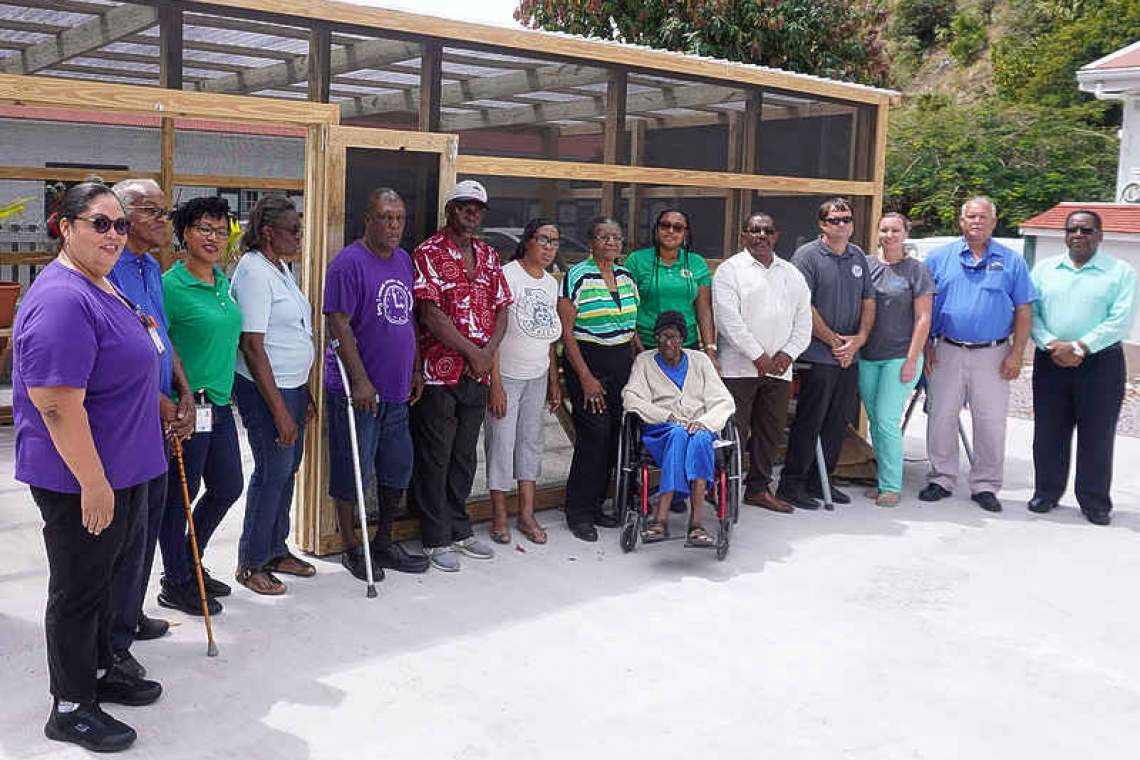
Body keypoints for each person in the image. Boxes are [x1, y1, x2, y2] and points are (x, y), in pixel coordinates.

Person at [13, 182, 164, 752]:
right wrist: (94, 483)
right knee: (78, 591)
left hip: (121, 470)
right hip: (79, 479)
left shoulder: (100, 284)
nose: (114, 235)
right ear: (65, 226)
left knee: (102, 582)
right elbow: (55, 403)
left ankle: (101, 670)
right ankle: (71, 705)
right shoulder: (61, 300)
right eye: (99, 224)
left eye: (120, 224)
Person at [104, 178, 194, 681]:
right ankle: (112, 645)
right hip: (129, 423)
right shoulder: (107, 270)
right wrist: (163, 405)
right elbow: (116, 362)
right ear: (121, 215)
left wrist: (182, 392)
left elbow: (161, 338)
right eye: (153, 211)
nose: (164, 219)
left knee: (150, 525)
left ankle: (130, 615)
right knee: (126, 536)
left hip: (161, 417)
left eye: (166, 210)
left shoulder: (151, 270)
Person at [324, 188, 429, 580]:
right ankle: (354, 546)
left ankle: (384, 540)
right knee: (354, 470)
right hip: (358, 393)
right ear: (367, 219)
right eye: (386, 217)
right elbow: (338, 323)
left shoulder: (403, 260)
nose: (394, 225)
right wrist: (361, 381)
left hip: (397, 389)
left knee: (396, 467)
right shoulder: (347, 264)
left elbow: (409, 319)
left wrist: (416, 368)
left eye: (399, 218)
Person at [410, 180, 510, 572]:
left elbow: (503, 308)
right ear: (449, 211)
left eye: (478, 209)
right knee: (436, 456)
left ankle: (459, 526)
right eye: (465, 207)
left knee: (465, 455)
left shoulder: (487, 254)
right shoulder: (428, 253)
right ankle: (435, 537)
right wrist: (472, 352)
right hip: (440, 372)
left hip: (477, 373)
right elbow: (430, 314)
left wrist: (486, 355)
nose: (472, 214)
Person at [920, 197, 1036, 512]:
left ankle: (985, 485)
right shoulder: (939, 258)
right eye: (970, 216)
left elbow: (1024, 310)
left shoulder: (1012, 261)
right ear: (961, 221)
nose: (976, 222)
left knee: (991, 421)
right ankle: (941, 478)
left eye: (982, 217)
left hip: (993, 354)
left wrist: (1017, 354)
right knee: (941, 416)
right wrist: (926, 345)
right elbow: (923, 305)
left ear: (994, 223)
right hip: (946, 349)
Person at [158, 196, 244, 613]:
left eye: (220, 229)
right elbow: (158, 346)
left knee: (228, 486)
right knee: (180, 497)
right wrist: (176, 399)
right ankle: (175, 580)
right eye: (203, 229)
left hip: (221, 405)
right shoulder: (170, 287)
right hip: (187, 409)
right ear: (184, 235)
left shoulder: (222, 282)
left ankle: (191, 561)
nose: (214, 237)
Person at [230, 196, 317, 594]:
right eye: (293, 230)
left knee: (288, 469)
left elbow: (295, 330)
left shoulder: (279, 268)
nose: (299, 237)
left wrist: (306, 392)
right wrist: (280, 411)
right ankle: (251, 562)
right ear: (267, 232)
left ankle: (275, 549)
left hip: (291, 387)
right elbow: (252, 345)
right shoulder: (252, 272)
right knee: (272, 471)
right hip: (267, 391)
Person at [1028, 210, 1137, 525]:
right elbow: (1032, 313)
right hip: (1051, 361)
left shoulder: (1120, 272)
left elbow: (1120, 320)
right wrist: (1052, 344)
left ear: (1100, 235)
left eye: (1086, 230)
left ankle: (1094, 501)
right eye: (1072, 229)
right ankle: (1046, 492)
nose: (1079, 234)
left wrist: (1079, 346)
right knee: (1049, 432)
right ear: (1065, 234)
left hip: (1100, 363)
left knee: (1097, 434)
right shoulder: (1045, 269)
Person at [776, 198, 875, 510]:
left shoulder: (858, 255)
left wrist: (858, 341)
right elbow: (803, 305)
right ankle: (791, 484)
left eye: (846, 219)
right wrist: (834, 342)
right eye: (834, 220)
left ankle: (821, 480)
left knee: (839, 420)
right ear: (822, 224)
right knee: (810, 420)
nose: (842, 225)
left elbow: (868, 302)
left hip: (850, 355)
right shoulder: (806, 257)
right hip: (818, 354)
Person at [713, 213, 812, 513]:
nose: (761, 236)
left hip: (779, 370)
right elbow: (727, 320)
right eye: (754, 230)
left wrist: (787, 355)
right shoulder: (730, 270)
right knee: (733, 432)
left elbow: (804, 321)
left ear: (776, 235)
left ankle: (758, 489)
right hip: (739, 367)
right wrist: (759, 356)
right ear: (743, 235)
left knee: (769, 433)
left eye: (767, 230)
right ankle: (723, 489)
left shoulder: (791, 273)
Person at [621, 311, 735, 545]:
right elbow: (630, 397)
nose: (667, 343)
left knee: (701, 438)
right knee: (678, 434)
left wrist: (703, 422)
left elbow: (724, 401)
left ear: (683, 339)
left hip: (699, 427)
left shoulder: (700, 361)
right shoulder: (644, 362)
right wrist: (667, 416)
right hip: (661, 431)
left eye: (673, 337)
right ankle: (661, 518)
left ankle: (696, 524)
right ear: (655, 339)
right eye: (662, 337)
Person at [558, 216, 640, 542]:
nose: (611, 243)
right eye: (604, 237)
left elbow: (629, 323)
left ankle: (596, 506)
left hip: (621, 365)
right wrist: (586, 378)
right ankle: (577, 512)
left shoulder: (625, 276)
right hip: (588, 364)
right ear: (590, 241)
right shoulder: (576, 276)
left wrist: (640, 353)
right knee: (593, 437)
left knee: (613, 437)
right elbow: (566, 333)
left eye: (616, 237)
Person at [485, 218, 563, 545]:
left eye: (554, 242)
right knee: (501, 444)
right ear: (528, 241)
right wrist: (495, 383)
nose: (549, 248)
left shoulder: (550, 283)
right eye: (543, 240)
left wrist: (554, 382)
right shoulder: (506, 276)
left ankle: (527, 515)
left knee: (530, 443)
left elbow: (549, 337)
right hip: (507, 376)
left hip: (537, 375)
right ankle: (500, 515)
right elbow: (494, 334)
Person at [858, 213, 935, 507]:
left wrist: (912, 359)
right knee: (876, 420)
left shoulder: (917, 271)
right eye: (884, 229)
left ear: (905, 233)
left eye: (895, 230)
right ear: (877, 232)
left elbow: (923, 317)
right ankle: (881, 480)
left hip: (899, 356)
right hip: (868, 356)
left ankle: (891, 485)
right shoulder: (866, 266)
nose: (889, 235)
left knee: (888, 419)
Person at [623, 209, 716, 360]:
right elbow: (626, 307)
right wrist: (636, 341)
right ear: (657, 230)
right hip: (646, 344)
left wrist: (710, 350)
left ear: (685, 234)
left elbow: (704, 311)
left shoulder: (696, 262)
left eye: (678, 227)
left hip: (686, 345)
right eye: (665, 226)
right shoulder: (636, 260)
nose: (670, 231)